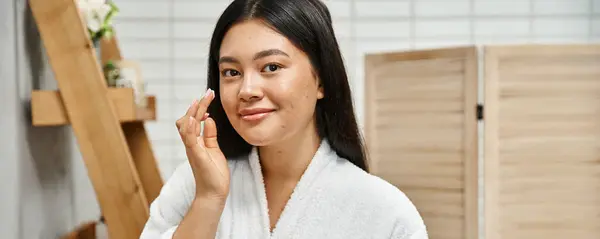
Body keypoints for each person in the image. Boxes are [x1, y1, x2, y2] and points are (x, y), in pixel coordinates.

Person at [140, 0, 427, 238]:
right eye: (231, 72)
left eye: (271, 66)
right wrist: (208, 200)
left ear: (321, 80)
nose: (247, 90)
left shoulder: (386, 213)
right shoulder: (194, 185)